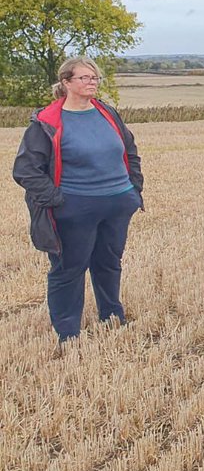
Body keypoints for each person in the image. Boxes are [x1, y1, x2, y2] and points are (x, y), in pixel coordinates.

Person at [12, 56, 144, 343]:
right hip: (74, 208)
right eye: (84, 77)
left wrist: (133, 190)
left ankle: (112, 316)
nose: (92, 82)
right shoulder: (47, 122)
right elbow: (25, 170)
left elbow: (130, 150)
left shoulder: (106, 112)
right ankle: (67, 332)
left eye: (94, 77)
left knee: (109, 263)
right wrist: (59, 200)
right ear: (66, 82)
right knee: (68, 269)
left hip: (117, 204)